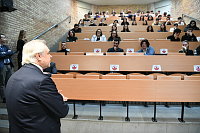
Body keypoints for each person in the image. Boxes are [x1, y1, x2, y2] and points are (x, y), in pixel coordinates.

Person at [5, 40, 69, 133]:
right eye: (48, 53)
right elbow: (62, 111)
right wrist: (59, 98)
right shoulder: (42, 81)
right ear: (38, 56)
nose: (50, 56)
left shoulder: (15, 75)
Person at [0, 34, 14, 103]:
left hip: (9, 65)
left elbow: (11, 52)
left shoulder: (6, 46)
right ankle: (4, 97)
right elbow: (0, 55)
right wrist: (6, 53)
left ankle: (9, 95)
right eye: (3, 38)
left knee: (9, 81)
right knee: (2, 82)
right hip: (2, 66)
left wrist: (4, 53)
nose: (5, 39)